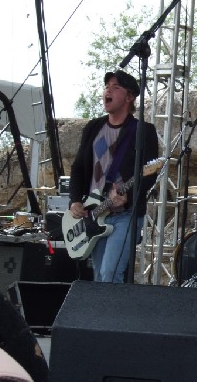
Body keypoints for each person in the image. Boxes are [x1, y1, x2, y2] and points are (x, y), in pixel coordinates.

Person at [68, 70, 159, 283]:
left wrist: (129, 195)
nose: (108, 90)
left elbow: (148, 175)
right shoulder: (93, 127)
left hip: (125, 215)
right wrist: (74, 200)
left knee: (111, 274)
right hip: (95, 212)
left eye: (115, 87)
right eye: (107, 86)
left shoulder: (143, 130)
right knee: (99, 276)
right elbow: (79, 167)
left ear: (129, 97)